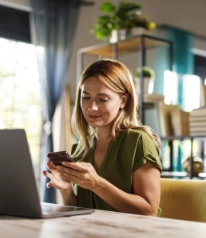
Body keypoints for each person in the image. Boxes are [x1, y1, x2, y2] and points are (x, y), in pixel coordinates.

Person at [43, 58, 162, 216]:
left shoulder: (138, 141)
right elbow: (80, 208)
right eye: (86, 97)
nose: (91, 107)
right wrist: (66, 190)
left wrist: (97, 184)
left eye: (102, 99)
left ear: (123, 101)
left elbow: (148, 211)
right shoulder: (80, 149)